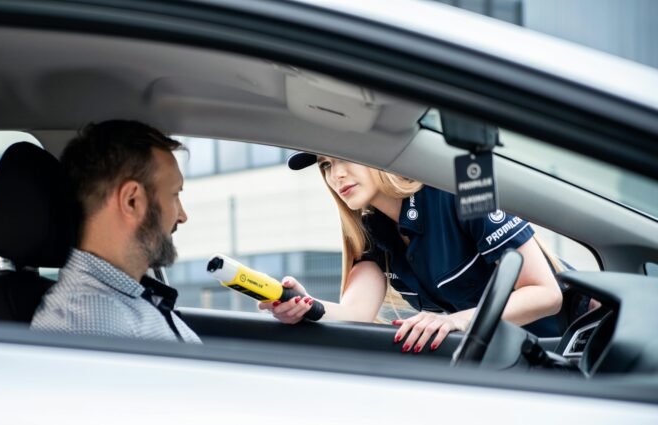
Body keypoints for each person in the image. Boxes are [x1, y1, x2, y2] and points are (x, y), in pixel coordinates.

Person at [259, 152, 563, 352]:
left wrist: (455, 321)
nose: (335, 175)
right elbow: (355, 314)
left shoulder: (461, 185)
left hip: (574, 346)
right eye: (326, 165)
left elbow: (546, 294)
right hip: (509, 357)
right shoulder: (370, 231)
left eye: (344, 157)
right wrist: (302, 305)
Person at [31, 120, 200, 343]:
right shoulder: (87, 321)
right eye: (175, 195)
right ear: (132, 201)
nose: (182, 216)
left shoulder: (129, 298)